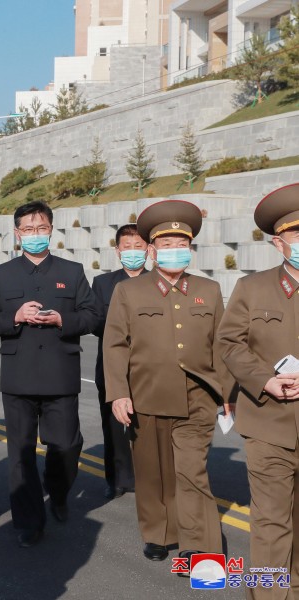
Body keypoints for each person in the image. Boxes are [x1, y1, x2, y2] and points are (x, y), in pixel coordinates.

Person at [104, 199, 232, 565]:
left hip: (198, 399)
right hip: (147, 396)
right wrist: (119, 394)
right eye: (166, 244)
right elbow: (115, 345)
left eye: (182, 244)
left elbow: (221, 345)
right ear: (152, 250)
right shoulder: (129, 292)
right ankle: (158, 533)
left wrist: (228, 394)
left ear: (190, 249)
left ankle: (199, 548)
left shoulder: (209, 289)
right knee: (153, 473)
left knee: (192, 473)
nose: (175, 250)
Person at [0, 200, 98, 548]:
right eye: (28, 229)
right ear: (17, 234)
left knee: (67, 445)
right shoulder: (3, 274)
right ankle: (29, 521)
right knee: (21, 453)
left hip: (61, 374)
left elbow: (92, 316)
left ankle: (57, 491)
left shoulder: (72, 272)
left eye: (41, 228)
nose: (35, 234)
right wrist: (15, 317)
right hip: (18, 377)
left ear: (51, 230)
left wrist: (63, 319)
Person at [217, 183, 299, 598]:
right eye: (297, 234)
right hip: (268, 423)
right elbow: (229, 343)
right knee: (270, 523)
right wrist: (264, 379)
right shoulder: (252, 288)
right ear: (277, 243)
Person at [91, 224, 144, 500]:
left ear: (148, 249)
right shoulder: (103, 284)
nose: (133, 252)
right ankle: (116, 479)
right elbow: (95, 322)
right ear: (118, 250)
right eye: (127, 247)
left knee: (146, 428)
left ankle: (146, 477)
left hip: (148, 368)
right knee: (113, 427)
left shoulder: (157, 281)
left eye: (138, 246)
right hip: (112, 367)